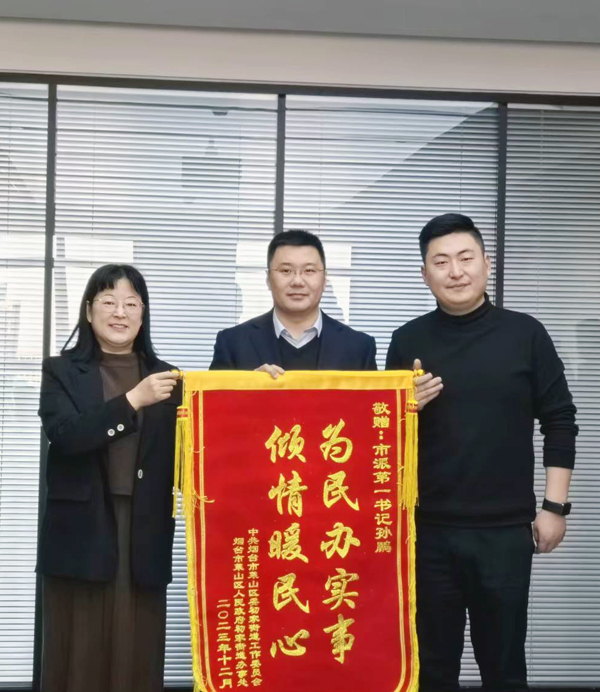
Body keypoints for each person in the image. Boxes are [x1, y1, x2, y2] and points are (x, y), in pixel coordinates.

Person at [386, 213, 577, 692]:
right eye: (441, 262)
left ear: (487, 264)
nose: (455, 272)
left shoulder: (525, 334)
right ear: (424, 274)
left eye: (465, 258)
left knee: (504, 668)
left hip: (504, 533)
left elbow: (559, 420)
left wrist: (554, 508)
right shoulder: (408, 340)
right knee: (431, 670)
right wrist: (404, 408)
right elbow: (382, 436)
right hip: (427, 532)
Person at [37, 264, 180, 692]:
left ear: (143, 313)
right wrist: (133, 399)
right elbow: (66, 436)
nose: (120, 312)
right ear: (88, 310)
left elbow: (209, 438)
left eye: (131, 303)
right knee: (78, 652)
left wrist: (255, 388)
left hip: (144, 529)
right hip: (82, 530)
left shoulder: (169, 378)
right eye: (108, 302)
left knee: (137, 650)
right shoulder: (60, 371)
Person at [210, 229, 377, 373]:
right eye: (286, 271)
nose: (297, 281)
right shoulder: (232, 344)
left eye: (309, 270)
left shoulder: (359, 347)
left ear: (325, 279)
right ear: (268, 279)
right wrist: (248, 388)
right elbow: (212, 400)